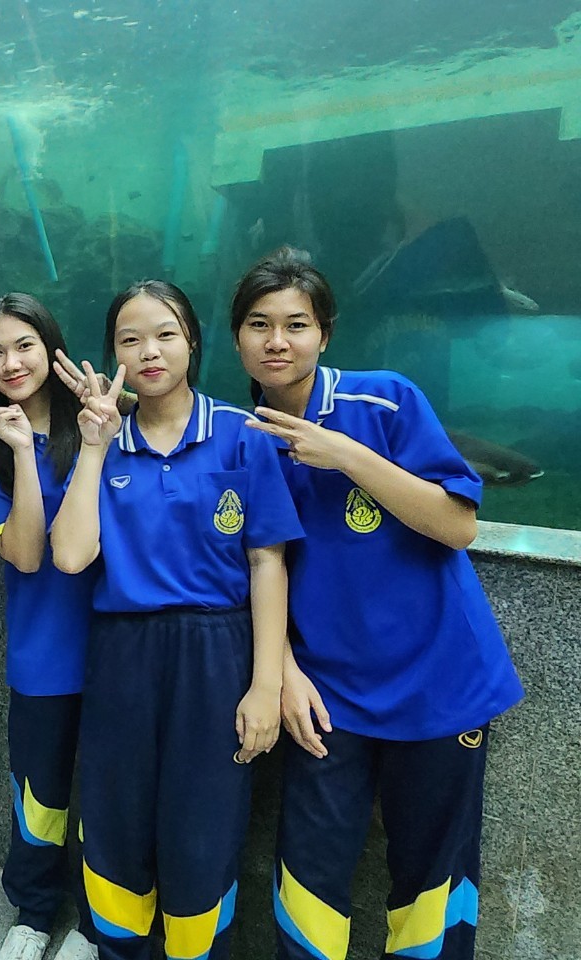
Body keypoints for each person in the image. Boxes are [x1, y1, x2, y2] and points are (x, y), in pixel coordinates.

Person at [229, 248, 523, 960]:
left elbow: (457, 525)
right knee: (309, 871)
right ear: (236, 338)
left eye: (296, 324)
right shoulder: (239, 439)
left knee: (431, 877)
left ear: (325, 333)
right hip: (327, 691)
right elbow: (255, 571)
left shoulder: (384, 400)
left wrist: (346, 455)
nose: (277, 341)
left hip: (440, 682)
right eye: (259, 324)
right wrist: (284, 671)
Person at [51, 281, 302, 960]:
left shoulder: (240, 434)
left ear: (192, 340)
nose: (149, 351)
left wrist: (266, 685)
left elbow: (267, 564)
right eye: (130, 340)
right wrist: (94, 446)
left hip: (217, 653)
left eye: (165, 334)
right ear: (115, 354)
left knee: (205, 827)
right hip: (123, 652)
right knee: (115, 818)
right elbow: (70, 556)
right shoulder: (106, 443)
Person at [0, 293, 98, 960]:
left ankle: (98, 924)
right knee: (39, 794)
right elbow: (25, 554)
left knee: (109, 796)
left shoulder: (103, 429)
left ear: (51, 348)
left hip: (123, 649)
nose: (11, 363)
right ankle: (35, 910)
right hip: (44, 652)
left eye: (24, 346)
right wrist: (19, 452)